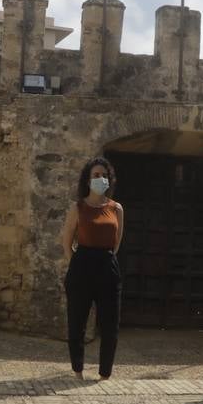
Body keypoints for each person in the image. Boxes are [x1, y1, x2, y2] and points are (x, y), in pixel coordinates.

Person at [59, 158, 124, 380]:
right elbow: (67, 242)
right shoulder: (78, 207)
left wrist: (104, 261)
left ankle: (105, 373)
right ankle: (78, 370)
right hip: (82, 265)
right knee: (77, 322)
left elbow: (116, 243)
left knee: (110, 325)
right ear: (88, 180)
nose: (100, 179)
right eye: (96, 175)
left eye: (103, 175)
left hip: (107, 266)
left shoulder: (116, 209)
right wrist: (76, 265)